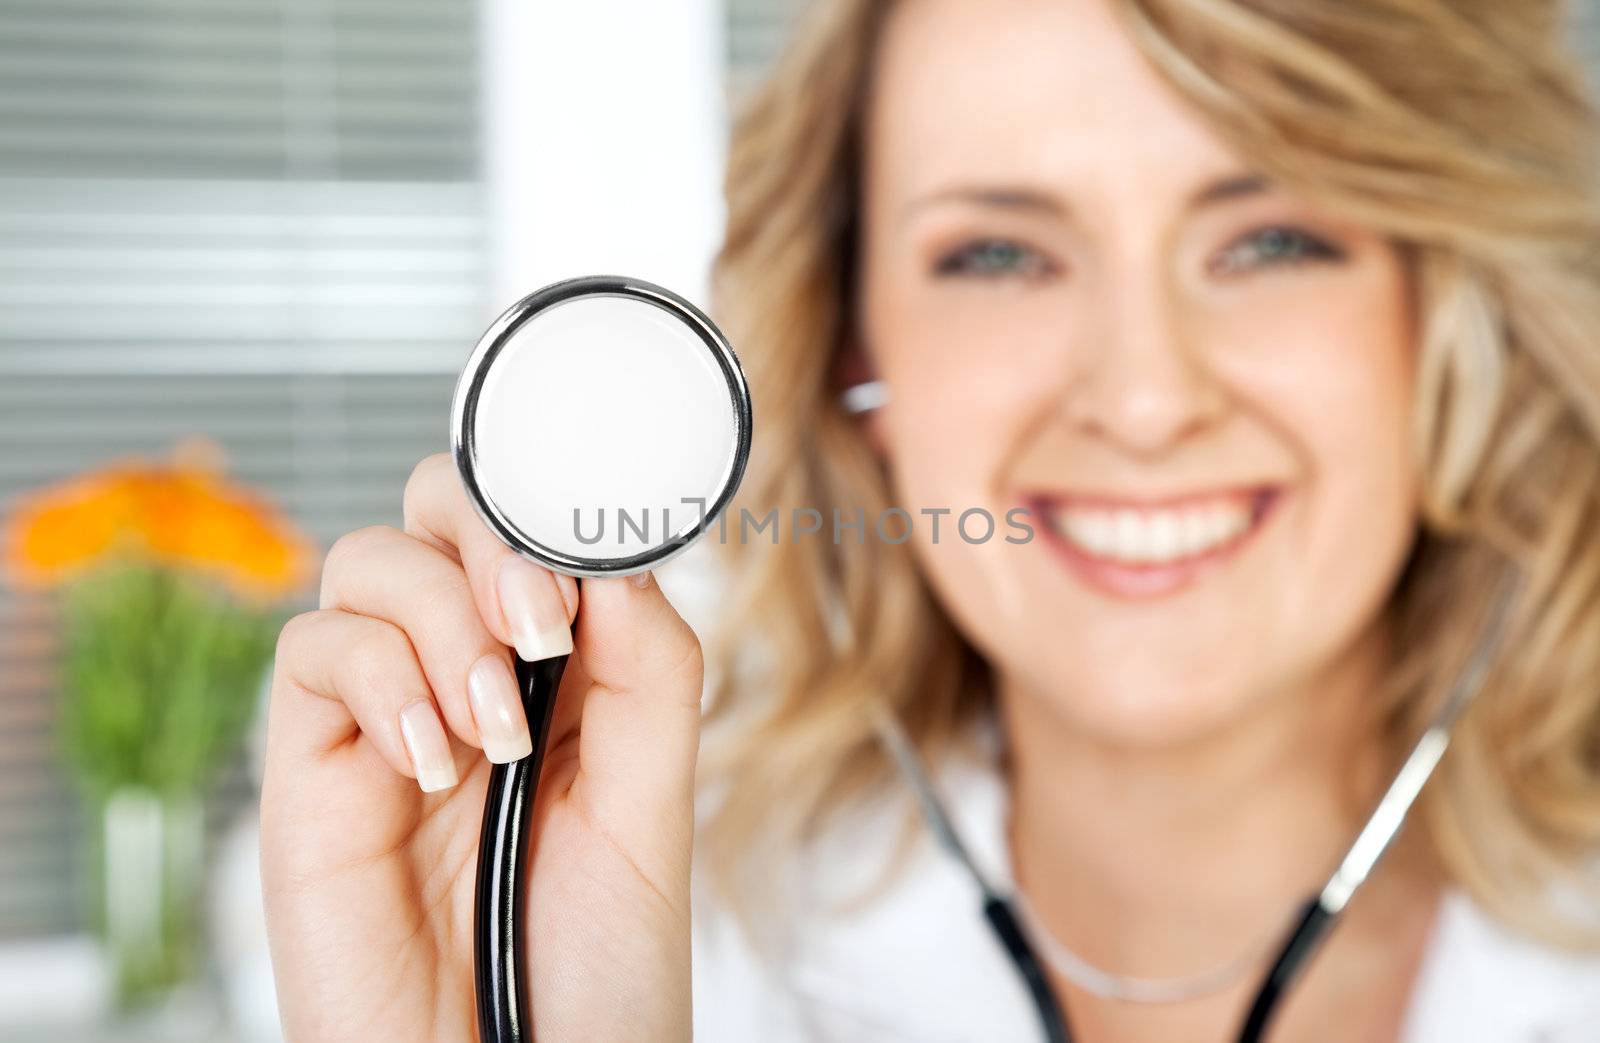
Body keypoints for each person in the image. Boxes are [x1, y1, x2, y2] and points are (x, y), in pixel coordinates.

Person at [259, 0, 1600, 1039]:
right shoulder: (647, 932)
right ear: (854, 359)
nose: (1142, 400)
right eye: (1001, 255)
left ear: (1449, 320)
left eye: (1272, 242)